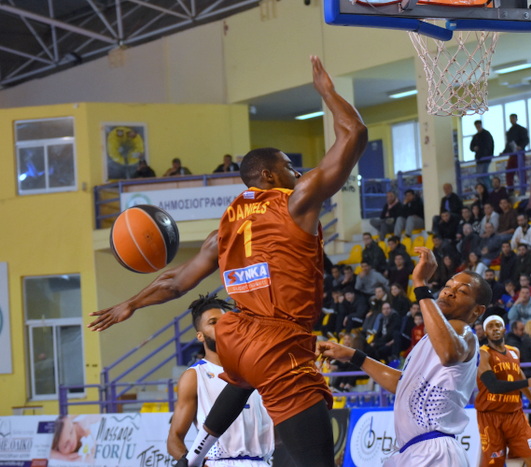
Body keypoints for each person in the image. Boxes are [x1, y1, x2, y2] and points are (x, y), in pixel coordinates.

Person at [88, 57, 367, 467]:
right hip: (279, 340)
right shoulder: (296, 201)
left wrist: (131, 303)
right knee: (319, 460)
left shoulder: (225, 227)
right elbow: (355, 133)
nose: (297, 172)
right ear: (269, 176)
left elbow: (176, 282)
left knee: (241, 376)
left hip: (238, 337)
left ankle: (196, 455)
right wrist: (327, 91)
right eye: (290, 166)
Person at [318, 247, 490, 466]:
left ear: (477, 311)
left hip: (435, 451)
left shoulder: (464, 331)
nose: (449, 292)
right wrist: (354, 355)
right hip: (414, 449)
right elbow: (403, 384)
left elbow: (449, 353)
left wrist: (419, 284)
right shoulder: (430, 340)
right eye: (447, 286)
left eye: (462, 291)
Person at [168, 295, 274, 466]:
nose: (222, 326)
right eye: (213, 322)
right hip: (218, 462)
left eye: (225, 321)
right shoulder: (195, 376)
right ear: (200, 336)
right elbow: (174, 438)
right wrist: (191, 463)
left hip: (261, 461)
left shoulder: (255, 369)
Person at [476, 314, 531, 467]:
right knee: (493, 464)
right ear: (485, 332)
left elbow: (518, 374)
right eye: (490, 327)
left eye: (498, 325)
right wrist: (529, 382)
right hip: (491, 416)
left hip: (515, 415)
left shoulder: (514, 351)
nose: (495, 329)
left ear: (504, 329)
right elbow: (494, 386)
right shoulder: (483, 353)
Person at [501, 114, 529, 188]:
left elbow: (526, 140)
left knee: (521, 172)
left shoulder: (521, 129)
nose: (512, 120)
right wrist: (504, 152)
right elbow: (508, 144)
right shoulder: (510, 131)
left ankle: (523, 188)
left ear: (516, 119)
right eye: (510, 119)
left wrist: (521, 146)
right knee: (509, 172)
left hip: (520, 154)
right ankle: (511, 189)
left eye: (513, 118)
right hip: (513, 154)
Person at [470, 120, 495, 187]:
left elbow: (489, 146)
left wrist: (485, 154)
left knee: (483, 176)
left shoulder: (486, 134)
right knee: (480, 177)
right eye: (476, 126)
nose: (478, 127)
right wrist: (474, 148)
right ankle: (485, 189)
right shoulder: (476, 136)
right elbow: (471, 147)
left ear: (481, 125)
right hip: (479, 159)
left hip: (485, 158)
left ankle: (489, 189)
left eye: (478, 125)